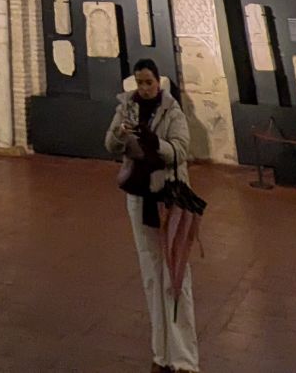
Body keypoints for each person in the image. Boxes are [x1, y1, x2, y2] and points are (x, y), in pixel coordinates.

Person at [105, 58, 199, 373]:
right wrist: (122, 133)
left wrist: (154, 142)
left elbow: (181, 150)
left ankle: (184, 359)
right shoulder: (127, 108)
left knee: (176, 274)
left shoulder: (173, 112)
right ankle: (161, 354)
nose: (144, 88)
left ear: (159, 81)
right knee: (151, 274)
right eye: (140, 82)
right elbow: (109, 143)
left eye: (149, 82)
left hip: (168, 197)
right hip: (139, 197)